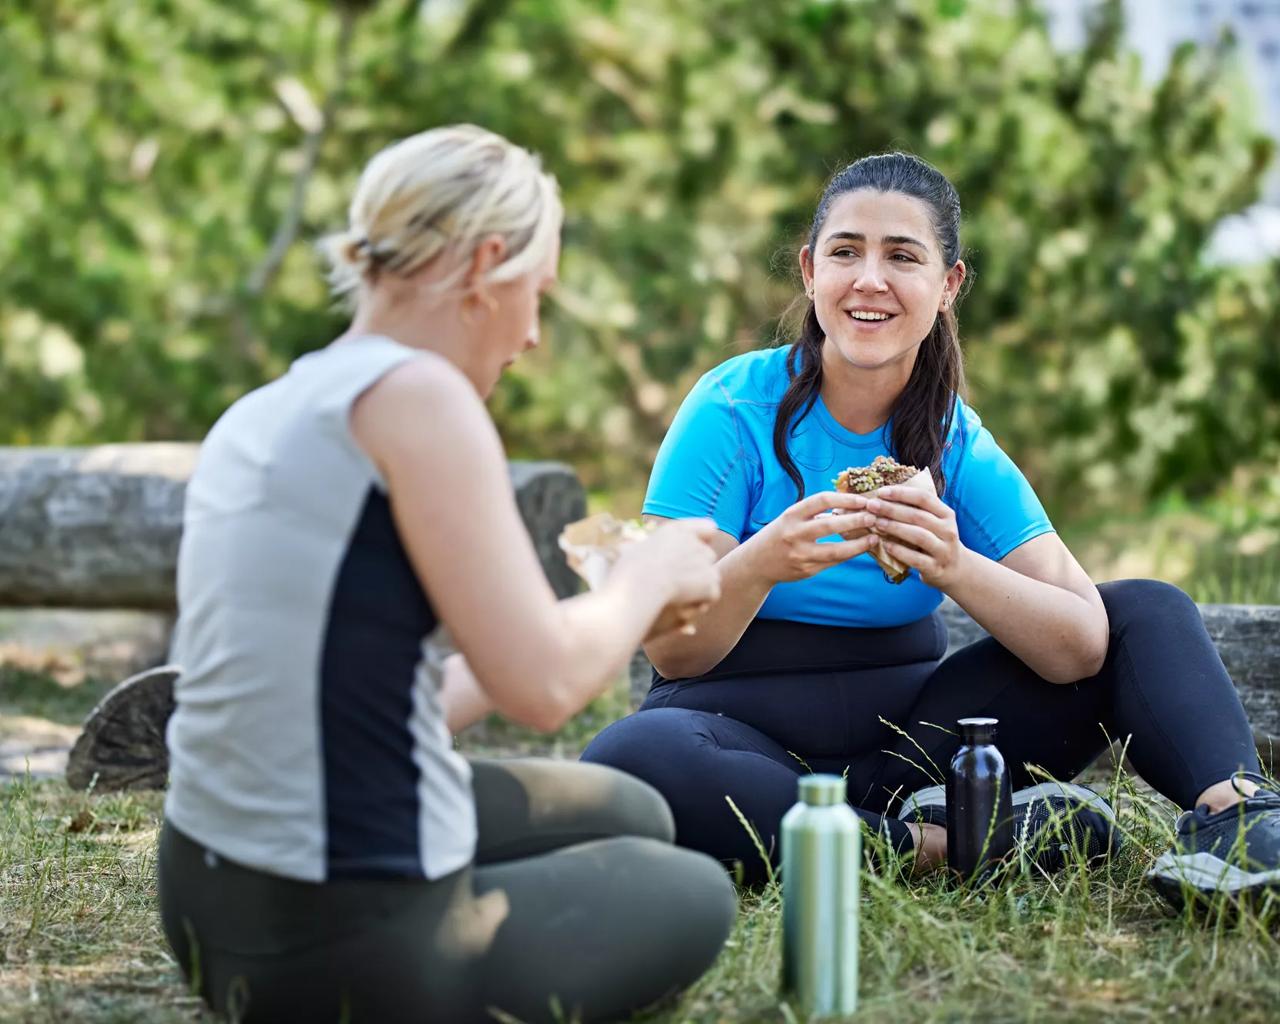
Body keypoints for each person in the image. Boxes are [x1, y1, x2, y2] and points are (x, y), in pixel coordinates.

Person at [582, 152, 1280, 903]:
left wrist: (953, 565)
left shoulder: (955, 439)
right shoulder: (729, 411)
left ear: (948, 286)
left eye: (902, 257)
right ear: (810, 270)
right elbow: (673, 652)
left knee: (1146, 609)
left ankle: (1241, 829)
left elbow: (1081, 644)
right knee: (631, 757)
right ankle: (955, 844)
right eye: (846, 252)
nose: (869, 280)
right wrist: (763, 562)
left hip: (915, 748)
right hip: (736, 739)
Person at [157, 125, 737, 1024]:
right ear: (488, 265)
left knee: (631, 809)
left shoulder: (274, 407)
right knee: (695, 889)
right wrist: (648, 580)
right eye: (536, 297)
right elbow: (545, 689)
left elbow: (387, 690)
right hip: (340, 939)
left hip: (205, 899)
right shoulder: (422, 398)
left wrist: (603, 604)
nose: (535, 335)